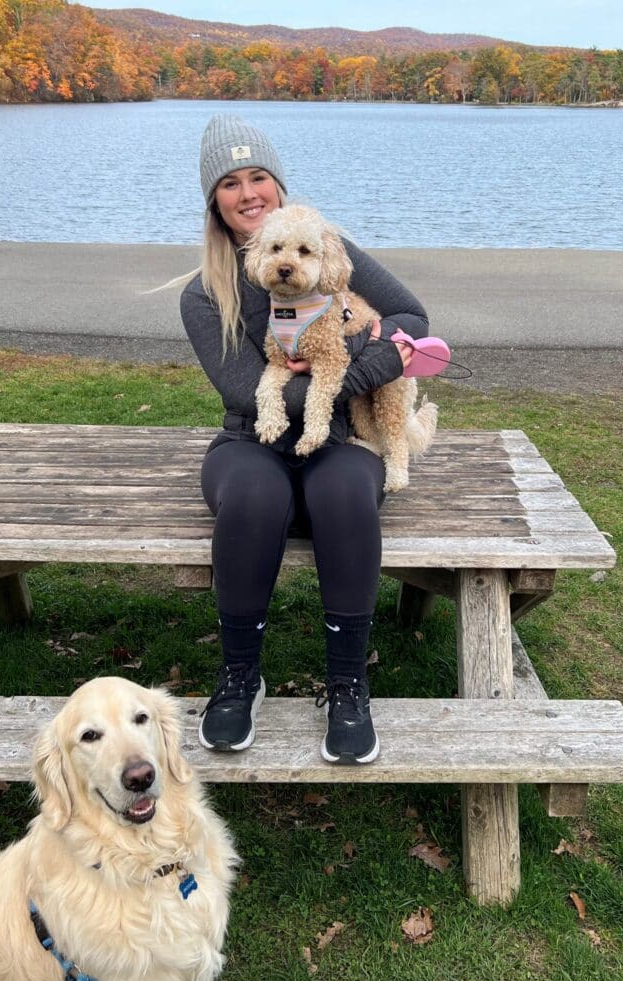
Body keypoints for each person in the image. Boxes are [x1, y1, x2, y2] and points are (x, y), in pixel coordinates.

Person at [180, 114, 428, 765]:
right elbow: (243, 391)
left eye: (259, 176)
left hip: (341, 438)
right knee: (257, 500)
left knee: (345, 494)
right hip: (248, 443)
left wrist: (351, 370)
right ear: (215, 200)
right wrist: (350, 364)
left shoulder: (329, 246)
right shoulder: (203, 294)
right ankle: (239, 677)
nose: (248, 192)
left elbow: (411, 321)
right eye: (230, 183)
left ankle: (347, 683)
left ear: (278, 184)